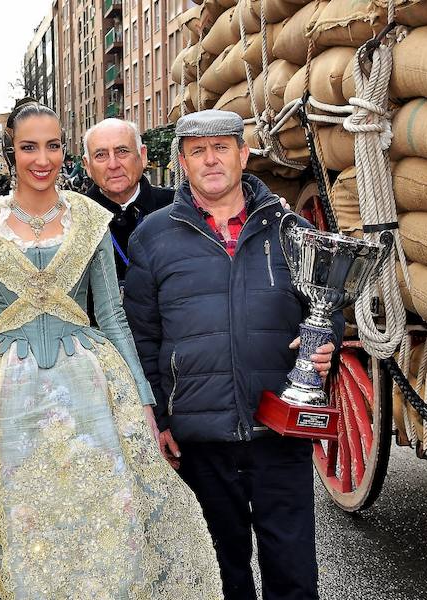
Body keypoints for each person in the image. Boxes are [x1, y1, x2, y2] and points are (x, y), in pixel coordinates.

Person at [0, 99, 221, 597]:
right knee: (15, 523)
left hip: (90, 387)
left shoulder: (90, 218)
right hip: (2, 395)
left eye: (52, 146)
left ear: (65, 152)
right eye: (29, 147)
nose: (41, 159)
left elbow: (112, 316)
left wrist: (143, 401)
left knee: (102, 515)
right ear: (11, 152)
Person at [123, 109, 340, 600]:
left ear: (243, 155)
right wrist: (155, 418)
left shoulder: (290, 229)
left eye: (222, 147)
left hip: (278, 427)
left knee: (293, 572)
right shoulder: (153, 237)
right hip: (199, 436)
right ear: (182, 162)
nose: (211, 159)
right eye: (198, 151)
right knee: (221, 575)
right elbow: (142, 338)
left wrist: (323, 345)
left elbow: (327, 307)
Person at [82, 118, 174, 283]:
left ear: (142, 155)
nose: (113, 164)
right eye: (101, 155)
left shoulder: (175, 207)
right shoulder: (73, 219)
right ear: (87, 166)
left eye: (122, 151)